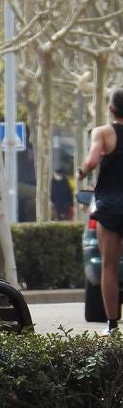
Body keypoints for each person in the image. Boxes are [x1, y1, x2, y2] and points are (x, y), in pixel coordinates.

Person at [78, 88, 123, 335]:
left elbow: (92, 161)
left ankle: (112, 326)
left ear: (111, 109)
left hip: (110, 205)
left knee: (109, 267)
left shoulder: (104, 132)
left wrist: (81, 172)